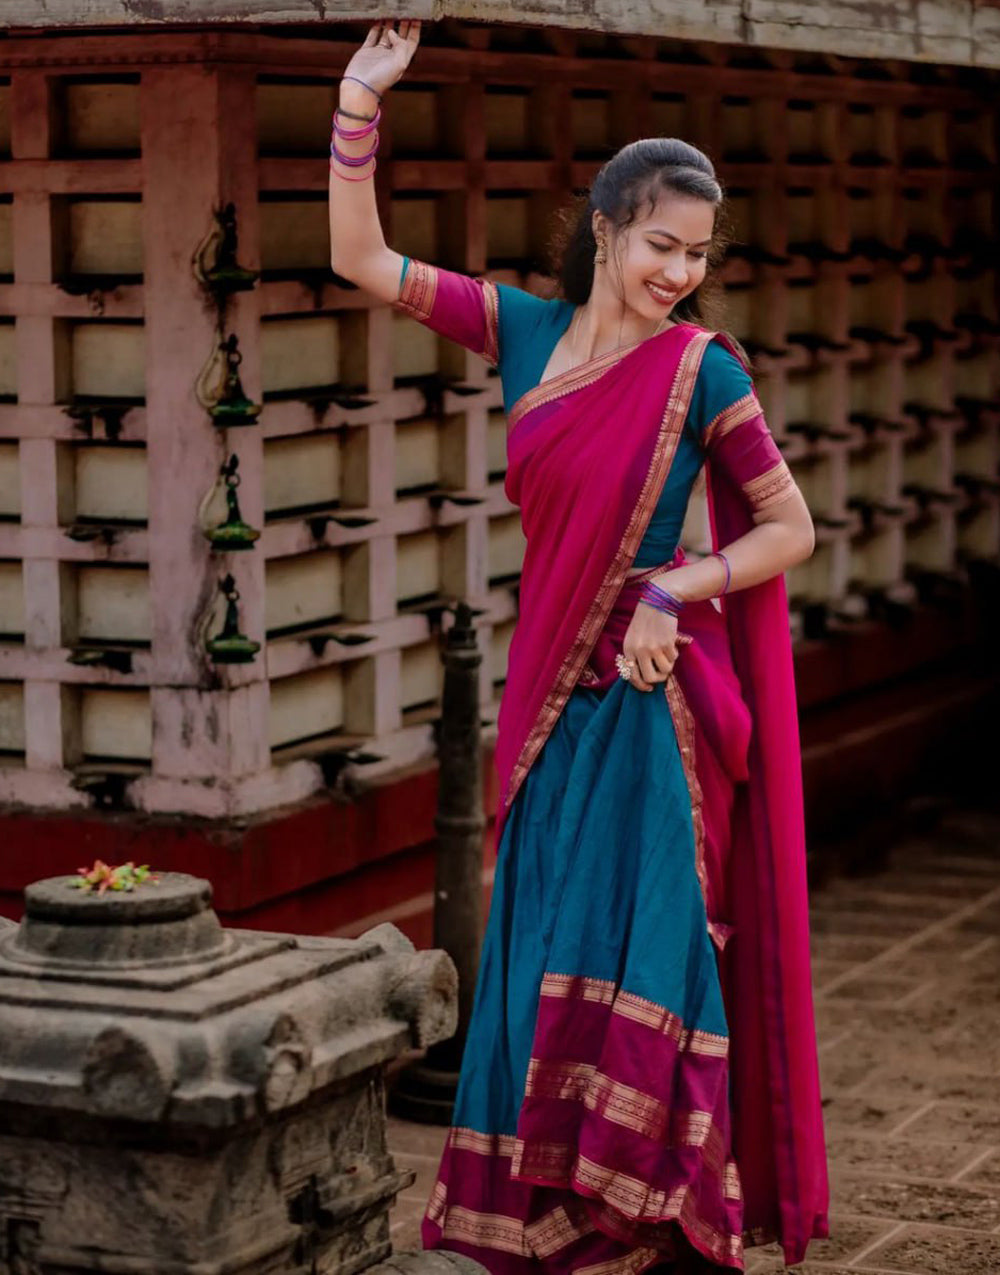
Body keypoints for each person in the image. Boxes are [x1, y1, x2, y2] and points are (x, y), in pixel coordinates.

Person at [329, 20, 829, 1274]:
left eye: (697, 255)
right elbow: (360, 258)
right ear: (605, 226)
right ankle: (552, 1223)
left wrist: (675, 588)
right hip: (547, 706)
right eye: (661, 244)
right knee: (545, 951)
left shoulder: (702, 371)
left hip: (652, 704)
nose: (677, 273)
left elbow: (789, 528)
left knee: (652, 945)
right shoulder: (521, 333)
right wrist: (357, 107)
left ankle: (659, 1222)